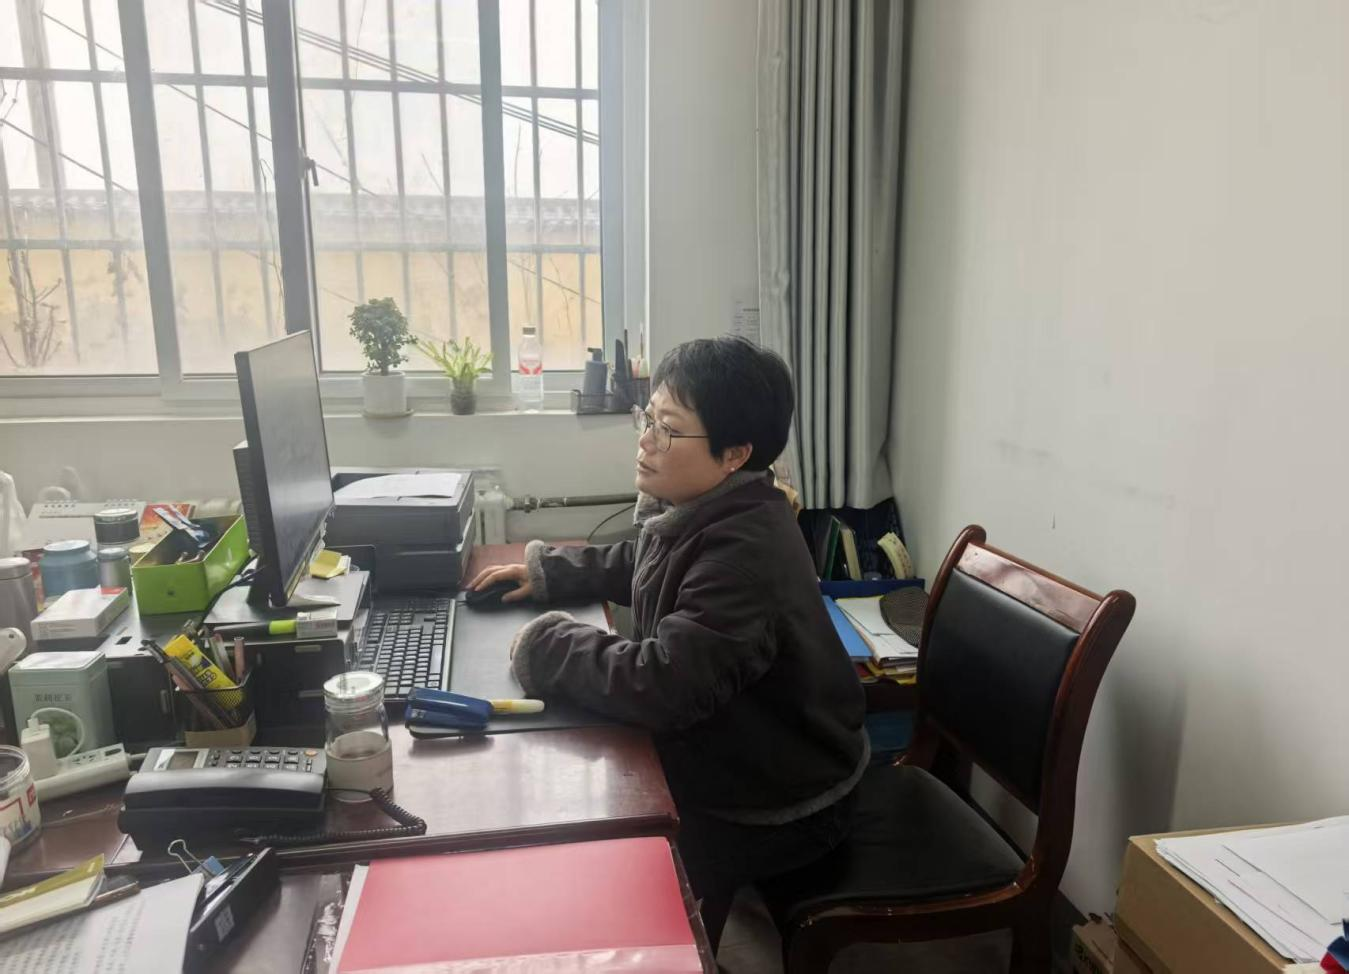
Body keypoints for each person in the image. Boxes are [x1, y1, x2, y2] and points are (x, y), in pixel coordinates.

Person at [469, 337, 867, 947]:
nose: (646, 440)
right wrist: (552, 572)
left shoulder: (744, 553)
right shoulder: (716, 507)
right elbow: (648, 560)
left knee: (597, 870)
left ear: (734, 454)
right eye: (648, 418)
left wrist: (548, 645)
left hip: (781, 801)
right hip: (745, 754)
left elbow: (662, 685)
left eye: (668, 429)